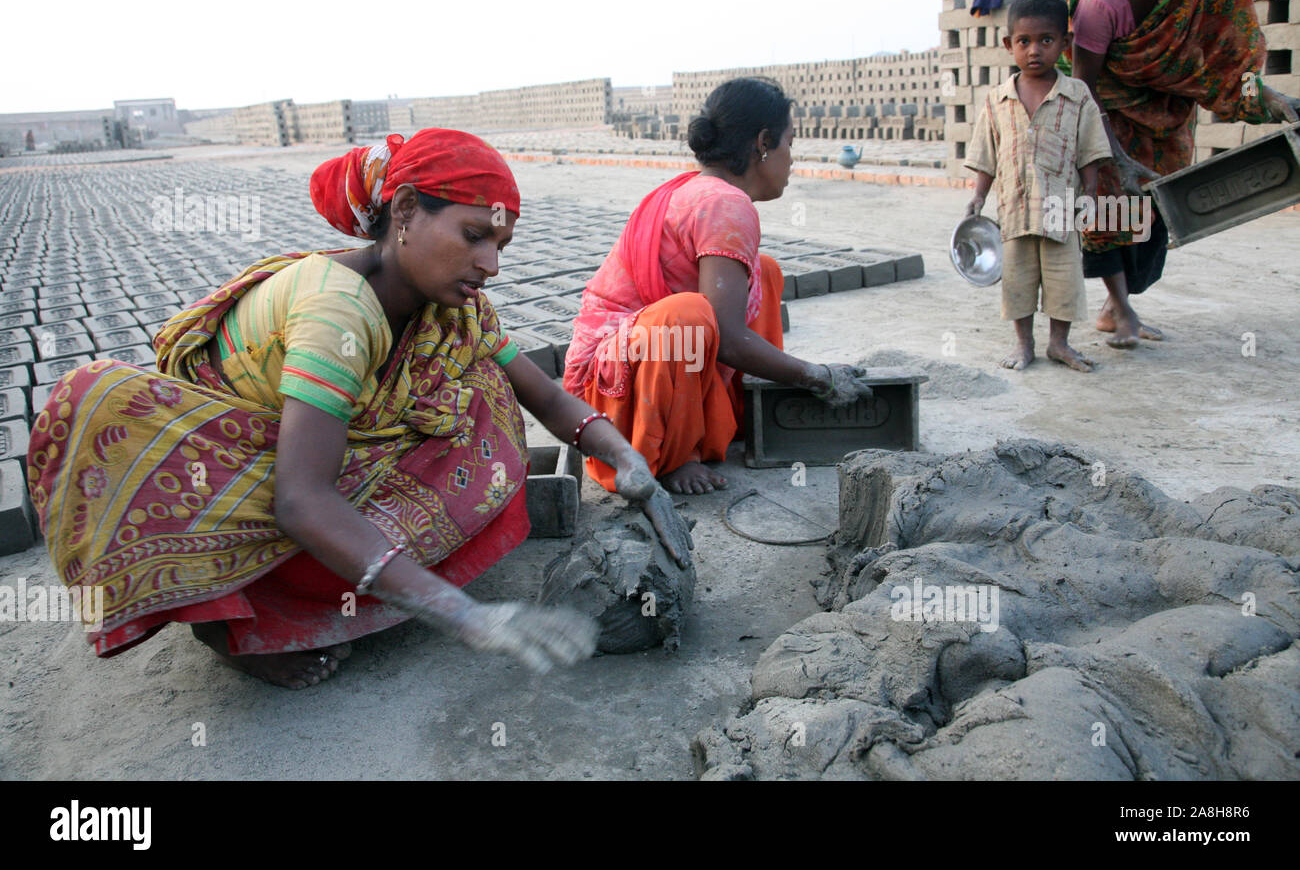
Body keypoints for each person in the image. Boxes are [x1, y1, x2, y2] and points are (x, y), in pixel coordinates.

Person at [27, 128, 693, 689]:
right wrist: (464, 615)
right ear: (404, 211)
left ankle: (337, 578)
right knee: (423, 454)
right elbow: (301, 501)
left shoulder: (449, 304)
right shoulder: (337, 308)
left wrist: (625, 459)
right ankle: (233, 621)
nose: (490, 263)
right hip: (238, 479)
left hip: (318, 455)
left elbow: (541, 393)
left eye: (501, 245)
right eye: (473, 236)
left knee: (485, 395)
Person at [563, 77, 873, 495]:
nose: (792, 160)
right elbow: (726, 339)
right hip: (611, 404)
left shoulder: (700, 192)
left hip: (645, 368)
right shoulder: (725, 202)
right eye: (789, 144)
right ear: (763, 142)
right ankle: (668, 455)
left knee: (762, 270)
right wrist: (817, 377)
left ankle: (745, 413)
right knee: (687, 316)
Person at [1066, 0, 1300, 347]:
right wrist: (1114, 155)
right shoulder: (1102, 0)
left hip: (1170, 118)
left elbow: (1234, 68)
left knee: (1161, 213)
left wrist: (1273, 101)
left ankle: (1117, 307)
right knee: (1109, 214)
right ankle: (1121, 311)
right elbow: (1082, 89)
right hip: (1106, 116)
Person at [966, 0, 1112, 372]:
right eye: (1024, 41)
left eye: (1046, 40)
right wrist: (978, 198)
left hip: (1061, 213)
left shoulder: (1077, 95)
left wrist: (1091, 194)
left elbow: (1090, 151)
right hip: (1014, 213)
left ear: (1065, 43)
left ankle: (1059, 344)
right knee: (1018, 283)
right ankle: (1023, 343)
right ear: (1008, 45)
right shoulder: (996, 99)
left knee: (1063, 283)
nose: (1034, 51)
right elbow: (987, 155)